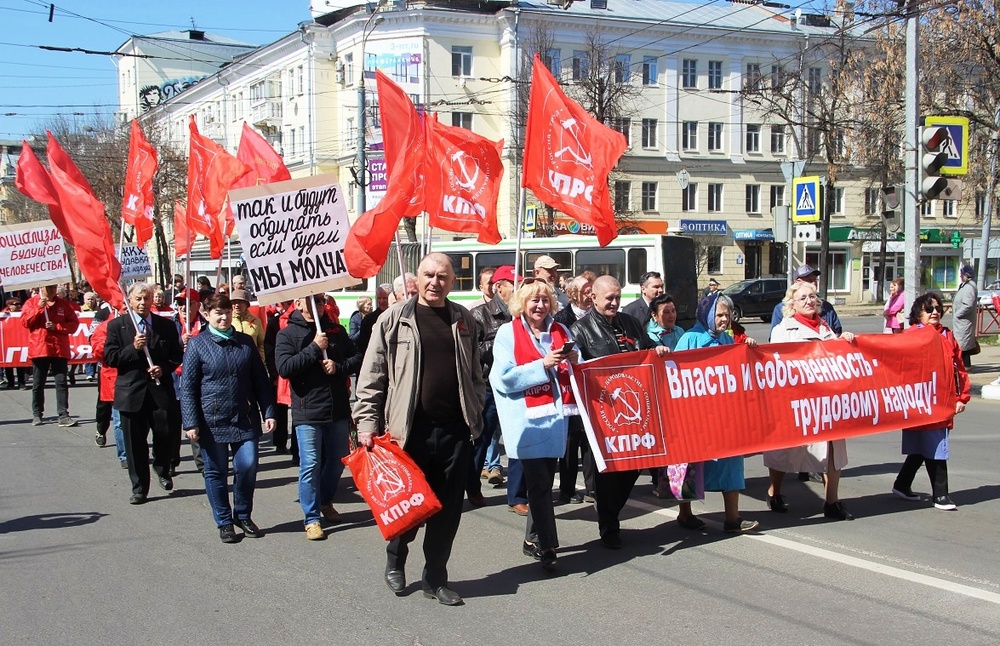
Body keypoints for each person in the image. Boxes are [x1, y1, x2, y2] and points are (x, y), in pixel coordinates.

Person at [354, 253, 485, 606]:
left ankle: (435, 578)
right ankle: (396, 560)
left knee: (446, 512)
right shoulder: (394, 319)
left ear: (453, 280)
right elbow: (371, 378)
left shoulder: (463, 320)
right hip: (409, 434)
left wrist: (476, 408)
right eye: (428, 274)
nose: (434, 282)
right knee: (409, 508)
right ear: (417, 278)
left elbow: (475, 375)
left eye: (442, 276)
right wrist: (367, 423)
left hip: (456, 433)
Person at [571, 275, 667, 549]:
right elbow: (578, 369)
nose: (614, 303)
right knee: (607, 472)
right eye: (608, 298)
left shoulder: (631, 323)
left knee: (633, 464)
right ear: (594, 298)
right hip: (603, 411)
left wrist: (656, 349)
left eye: (617, 297)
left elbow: (646, 348)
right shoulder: (580, 330)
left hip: (634, 405)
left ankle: (611, 511)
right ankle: (609, 525)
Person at [490, 279, 577, 571]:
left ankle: (531, 539)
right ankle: (549, 546)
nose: (540, 306)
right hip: (526, 421)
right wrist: (543, 365)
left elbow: (573, 370)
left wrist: (574, 360)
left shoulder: (561, 330)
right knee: (540, 485)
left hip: (555, 419)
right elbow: (502, 379)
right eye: (533, 300)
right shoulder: (507, 333)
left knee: (540, 483)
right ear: (521, 304)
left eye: (544, 300)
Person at [181, 293, 276, 543]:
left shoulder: (245, 342)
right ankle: (224, 521)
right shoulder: (197, 345)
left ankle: (242, 515)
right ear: (207, 315)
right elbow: (188, 386)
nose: (223, 317)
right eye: (217, 313)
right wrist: (190, 422)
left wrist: (268, 410)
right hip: (212, 421)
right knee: (216, 472)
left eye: (226, 313)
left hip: (244, 417)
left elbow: (260, 380)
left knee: (248, 466)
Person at [763, 281, 857, 521]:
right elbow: (776, 366)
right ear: (792, 304)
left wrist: (844, 341)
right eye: (803, 298)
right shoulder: (784, 330)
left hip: (827, 401)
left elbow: (837, 358)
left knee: (833, 448)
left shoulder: (826, 328)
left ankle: (832, 501)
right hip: (797, 401)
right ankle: (774, 491)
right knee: (785, 449)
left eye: (812, 296)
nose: (809, 301)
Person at [673, 293, 759, 533]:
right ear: (707, 315)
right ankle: (685, 513)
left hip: (723, 417)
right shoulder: (690, 339)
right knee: (689, 464)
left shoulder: (727, 341)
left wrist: (749, 350)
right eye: (719, 314)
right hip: (693, 417)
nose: (724, 319)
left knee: (731, 463)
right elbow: (674, 374)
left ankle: (733, 518)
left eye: (727, 315)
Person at [276, 293, 359, 541]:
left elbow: (356, 358)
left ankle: (325, 500)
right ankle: (311, 517)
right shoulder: (287, 334)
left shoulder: (335, 330)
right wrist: (314, 348)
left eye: (320, 301)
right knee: (310, 464)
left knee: (336, 462)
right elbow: (284, 368)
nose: (316, 306)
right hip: (307, 411)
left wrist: (338, 366)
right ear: (298, 303)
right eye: (310, 301)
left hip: (337, 410)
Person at [103, 282, 183, 505]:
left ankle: (162, 467)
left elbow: (176, 354)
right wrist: (132, 349)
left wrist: (163, 368)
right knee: (135, 443)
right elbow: (110, 358)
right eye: (138, 299)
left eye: (146, 299)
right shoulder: (118, 326)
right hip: (132, 393)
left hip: (159, 390)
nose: (142, 303)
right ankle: (139, 487)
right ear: (129, 300)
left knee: (165, 434)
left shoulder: (164, 325)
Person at [891, 292, 970, 511]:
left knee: (933, 445)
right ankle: (939, 495)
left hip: (940, 401)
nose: (934, 312)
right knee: (927, 446)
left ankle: (905, 485)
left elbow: (959, 369)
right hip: (917, 401)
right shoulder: (910, 335)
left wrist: (961, 396)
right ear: (918, 313)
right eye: (929, 309)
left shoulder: (947, 335)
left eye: (937, 308)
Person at [470, 265, 517, 506]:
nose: (519, 289)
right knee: (483, 437)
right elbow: (471, 353)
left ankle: (518, 495)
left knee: (518, 439)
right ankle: (472, 485)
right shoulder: (479, 315)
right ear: (499, 288)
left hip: (516, 385)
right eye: (514, 284)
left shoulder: (522, 313)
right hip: (489, 386)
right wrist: (503, 344)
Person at [554, 274, 596, 504]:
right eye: (586, 290)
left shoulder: (596, 316)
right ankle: (567, 489)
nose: (590, 295)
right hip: (568, 388)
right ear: (572, 294)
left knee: (589, 439)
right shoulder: (562, 319)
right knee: (570, 441)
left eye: (592, 290)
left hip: (590, 384)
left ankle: (592, 487)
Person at [21, 284, 79, 427]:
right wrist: (38, 309)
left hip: (59, 348)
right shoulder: (32, 302)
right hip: (40, 348)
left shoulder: (64, 304)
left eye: (53, 287)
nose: (51, 290)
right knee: (38, 383)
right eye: (48, 287)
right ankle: (37, 413)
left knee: (61, 382)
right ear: (41, 288)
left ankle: (63, 415)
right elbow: (25, 322)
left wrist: (57, 327)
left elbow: (73, 325)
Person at [770, 265, 842, 337]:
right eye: (809, 280)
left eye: (815, 280)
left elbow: (837, 333)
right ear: (797, 282)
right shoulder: (781, 308)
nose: (814, 283)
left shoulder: (827, 307)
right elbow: (776, 341)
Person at [953, 264, 978, 368]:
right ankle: (964, 365)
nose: (960, 276)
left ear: (966, 275)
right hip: (962, 322)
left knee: (963, 344)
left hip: (964, 322)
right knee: (963, 344)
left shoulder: (969, 287)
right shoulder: (966, 286)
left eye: (961, 274)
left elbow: (968, 304)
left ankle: (966, 366)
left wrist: (958, 314)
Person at [230, 290, 265, 363]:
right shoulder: (227, 321)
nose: (237, 305)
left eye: (240, 302)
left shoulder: (256, 321)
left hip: (252, 362)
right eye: (234, 302)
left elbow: (262, 343)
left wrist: (261, 361)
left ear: (246, 304)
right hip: (233, 363)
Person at [3, 298, 29, 390]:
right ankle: (11, 382)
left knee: (20, 363)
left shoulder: (22, 313)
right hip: (7, 340)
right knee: (8, 364)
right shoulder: (3, 314)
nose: (19, 306)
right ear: (9, 306)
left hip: (19, 340)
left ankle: (21, 383)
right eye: (16, 304)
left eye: (19, 304)